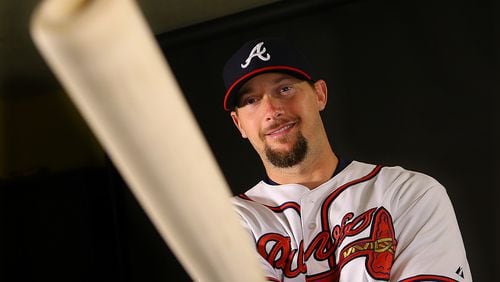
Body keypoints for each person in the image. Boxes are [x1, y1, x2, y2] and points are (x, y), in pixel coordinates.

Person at [222, 37, 472, 281]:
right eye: (251, 100)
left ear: (319, 94)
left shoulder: (406, 193)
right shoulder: (228, 222)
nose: (271, 110)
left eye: (285, 89)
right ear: (238, 124)